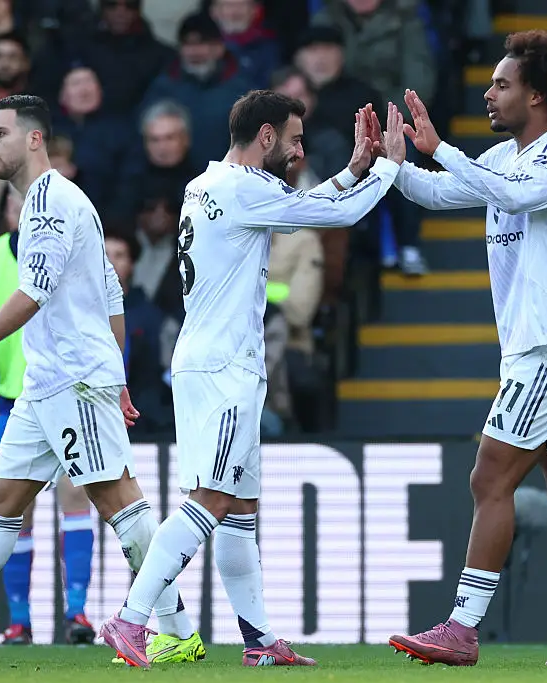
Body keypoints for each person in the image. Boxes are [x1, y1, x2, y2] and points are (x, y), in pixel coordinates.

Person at [0, 95, 202, 664]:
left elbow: (35, 292)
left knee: (117, 499)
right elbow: (111, 292)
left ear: (34, 139)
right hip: (48, 381)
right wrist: (118, 375)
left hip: (72, 378)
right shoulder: (62, 202)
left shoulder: (48, 201)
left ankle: (176, 629)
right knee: (1, 498)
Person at [100, 89, 407, 668]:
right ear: (265, 136)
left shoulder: (207, 183)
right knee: (211, 499)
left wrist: (352, 170)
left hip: (200, 360)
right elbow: (331, 214)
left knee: (239, 506)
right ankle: (131, 619)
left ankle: (260, 641)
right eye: (292, 139)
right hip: (226, 368)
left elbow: (300, 205)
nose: (297, 150)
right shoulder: (249, 189)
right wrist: (388, 163)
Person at [384, 31, 547, 667]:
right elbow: (445, 193)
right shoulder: (505, 157)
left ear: (537, 95)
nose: (489, 92)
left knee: (490, 475)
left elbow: (515, 196)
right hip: (543, 347)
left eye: (501, 84)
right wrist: (394, 163)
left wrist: (441, 148)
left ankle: (462, 628)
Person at [0, 190, 100, 646]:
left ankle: (77, 614)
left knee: (75, 495)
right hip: (13, 400)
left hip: (69, 393)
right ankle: (19, 620)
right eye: (15, 206)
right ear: (5, 213)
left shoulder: (72, 248)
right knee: (15, 510)